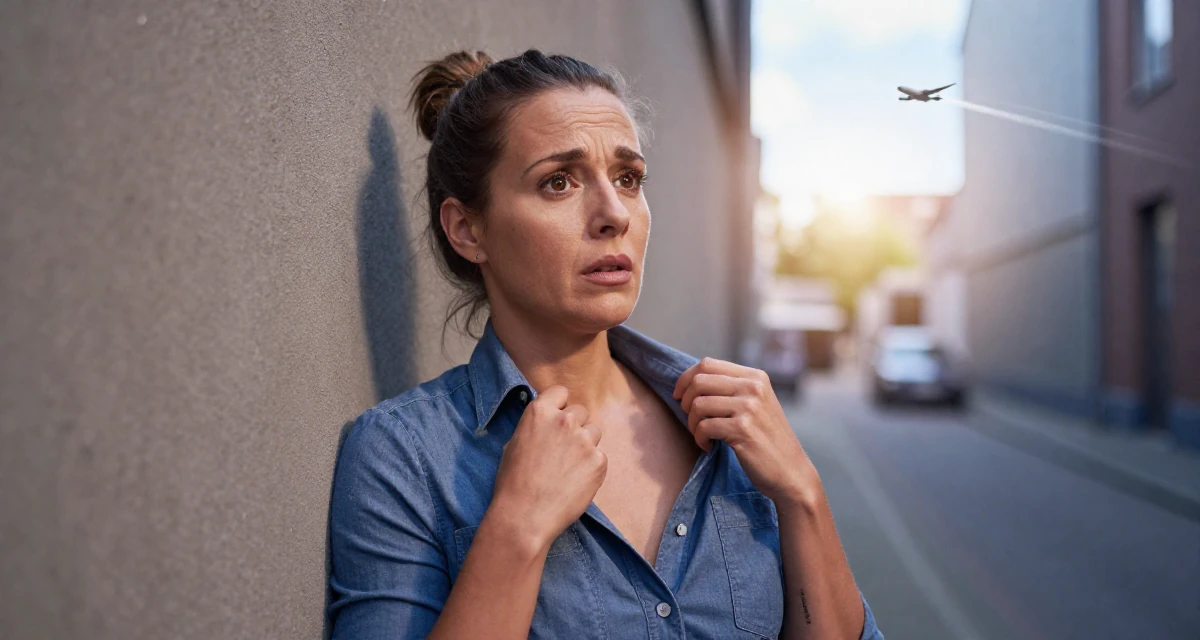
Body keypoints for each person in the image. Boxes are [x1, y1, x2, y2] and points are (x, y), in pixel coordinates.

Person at [327, 48, 884, 640]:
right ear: (468, 229)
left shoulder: (732, 426)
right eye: (558, 182)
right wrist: (517, 529)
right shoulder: (404, 457)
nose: (614, 213)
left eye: (628, 178)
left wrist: (801, 492)